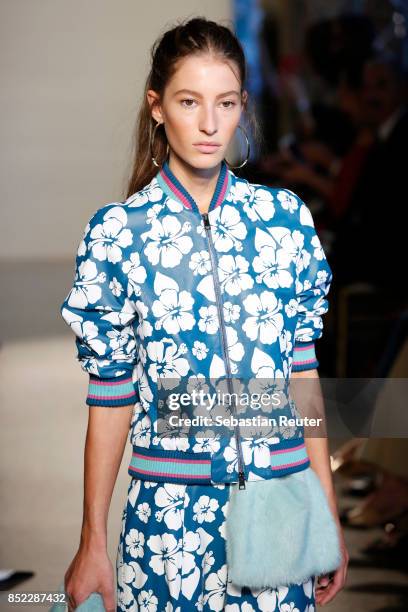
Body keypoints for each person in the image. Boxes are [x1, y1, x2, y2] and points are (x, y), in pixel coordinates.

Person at [59, 17, 348, 611]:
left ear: (244, 106)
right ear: (157, 106)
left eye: (227, 102)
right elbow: (110, 394)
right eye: (189, 102)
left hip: (279, 509)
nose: (211, 124)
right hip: (167, 522)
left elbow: (301, 374)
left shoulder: (284, 221)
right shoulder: (119, 235)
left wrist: (326, 509)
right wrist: (93, 538)